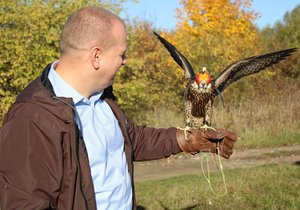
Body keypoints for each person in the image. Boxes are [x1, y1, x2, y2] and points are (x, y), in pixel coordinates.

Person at [0, 6, 237, 210]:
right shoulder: (32, 117)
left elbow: (130, 139)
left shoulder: (103, 97)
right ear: (96, 56)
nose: (126, 61)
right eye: (122, 54)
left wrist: (186, 139)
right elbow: (24, 203)